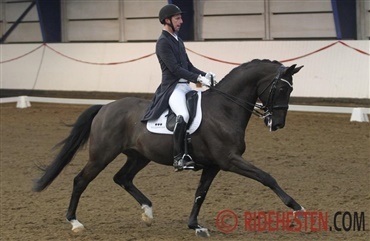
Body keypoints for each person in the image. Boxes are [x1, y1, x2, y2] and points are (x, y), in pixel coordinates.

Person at [141, 4, 215, 171]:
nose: (181, 21)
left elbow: (188, 66)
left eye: (181, 18)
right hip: (172, 88)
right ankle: (179, 157)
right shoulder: (163, 42)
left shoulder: (177, 40)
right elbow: (175, 69)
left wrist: (206, 76)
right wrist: (198, 78)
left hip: (186, 87)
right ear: (167, 20)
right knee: (183, 114)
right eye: (177, 18)